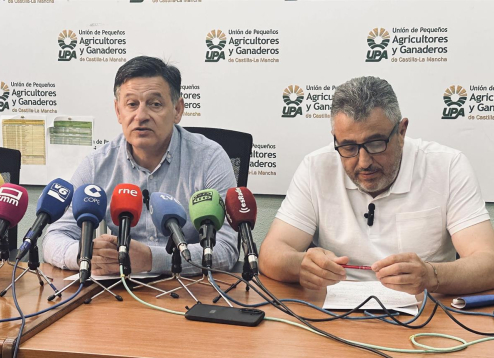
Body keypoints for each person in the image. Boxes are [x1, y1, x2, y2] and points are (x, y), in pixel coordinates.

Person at [259, 76, 494, 295]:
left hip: (424, 310)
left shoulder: (447, 166)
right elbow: (270, 253)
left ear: (401, 132)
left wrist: (431, 275)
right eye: (348, 147)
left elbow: (488, 262)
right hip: (333, 311)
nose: (363, 162)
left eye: (375, 144)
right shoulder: (316, 167)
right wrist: (300, 265)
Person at [43, 56, 238, 275]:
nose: (141, 116)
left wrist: (153, 259)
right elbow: (55, 236)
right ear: (118, 111)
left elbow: (226, 249)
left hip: (187, 287)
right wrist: (84, 255)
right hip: (118, 288)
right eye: (131, 104)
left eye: (155, 104)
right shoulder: (97, 164)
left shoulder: (209, 159)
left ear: (177, 110)